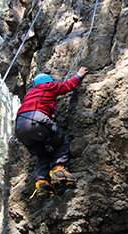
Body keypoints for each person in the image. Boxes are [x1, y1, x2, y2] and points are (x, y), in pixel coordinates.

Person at [14, 67, 89, 197]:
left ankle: (42, 181)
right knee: (60, 143)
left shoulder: (30, 94)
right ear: (48, 81)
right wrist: (79, 75)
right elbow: (67, 86)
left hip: (19, 128)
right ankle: (59, 169)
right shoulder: (48, 86)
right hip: (36, 120)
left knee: (42, 154)